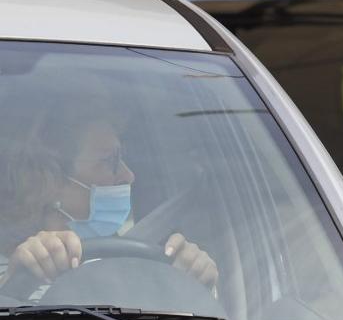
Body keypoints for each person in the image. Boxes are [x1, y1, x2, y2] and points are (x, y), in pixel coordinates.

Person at [0, 102, 218, 292]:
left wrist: (197, 280)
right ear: (50, 181)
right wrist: (11, 281)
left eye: (122, 159)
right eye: (109, 161)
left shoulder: (144, 262)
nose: (129, 176)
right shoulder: (12, 265)